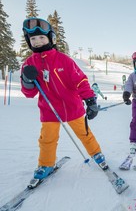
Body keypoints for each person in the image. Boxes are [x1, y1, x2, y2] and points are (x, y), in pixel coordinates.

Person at [20, 17, 109, 180]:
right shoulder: (28, 64)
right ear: (29, 41)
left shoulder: (64, 60)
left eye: (41, 37)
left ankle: (97, 153)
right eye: (33, 39)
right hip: (49, 110)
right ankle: (46, 164)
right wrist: (27, 80)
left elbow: (80, 80)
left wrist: (90, 100)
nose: (38, 42)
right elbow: (29, 93)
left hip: (72, 107)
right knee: (47, 139)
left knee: (85, 133)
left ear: (51, 38)